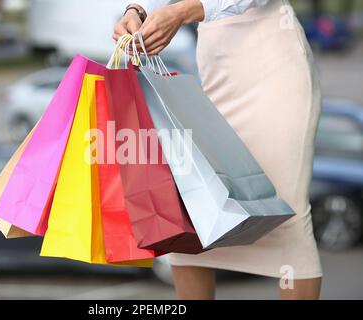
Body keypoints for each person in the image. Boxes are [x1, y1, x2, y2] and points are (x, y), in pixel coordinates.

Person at [113, 0, 323, 300]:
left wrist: (185, 11)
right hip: (213, 69)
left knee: (285, 216)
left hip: (273, 66)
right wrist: (136, 11)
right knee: (194, 219)